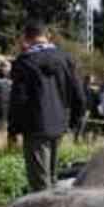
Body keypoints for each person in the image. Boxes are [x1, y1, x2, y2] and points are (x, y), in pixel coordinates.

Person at [8, 22, 85, 192]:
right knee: (52, 176)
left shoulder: (24, 62)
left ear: (27, 38)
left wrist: (13, 130)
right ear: (47, 36)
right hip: (59, 124)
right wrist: (74, 121)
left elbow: (18, 100)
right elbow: (78, 92)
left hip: (35, 126)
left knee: (39, 182)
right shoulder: (65, 58)